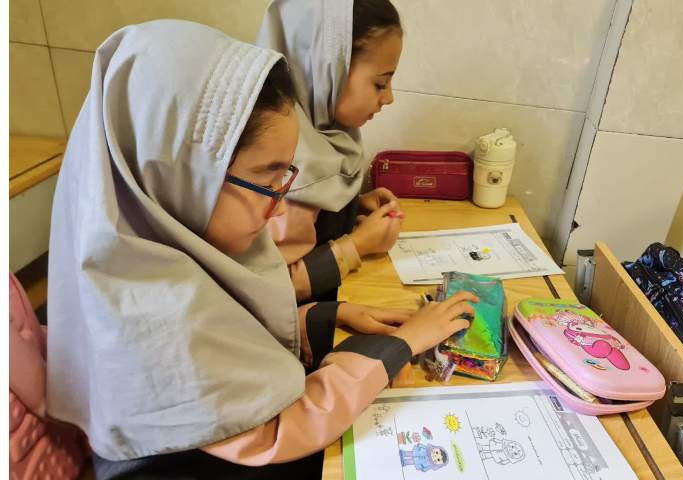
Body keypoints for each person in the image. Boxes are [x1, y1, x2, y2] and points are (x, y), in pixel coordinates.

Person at [46, 20, 476, 479]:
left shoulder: (173, 248)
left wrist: (325, 318)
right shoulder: (152, 315)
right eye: (267, 181)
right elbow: (276, 430)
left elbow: (232, 340)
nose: (279, 207)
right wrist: (398, 346)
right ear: (178, 172)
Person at [258, 0, 406, 302]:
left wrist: (352, 209)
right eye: (380, 84)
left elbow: (309, 224)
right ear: (325, 71)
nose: (389, 98)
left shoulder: (329, 136)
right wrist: (358, 245)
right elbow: (266, 290)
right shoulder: (276, 167)